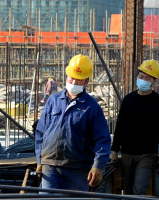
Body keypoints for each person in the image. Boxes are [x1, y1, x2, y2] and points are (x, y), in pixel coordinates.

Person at [34, 54, 111, 191]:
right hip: (50, 166)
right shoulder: (53, 101)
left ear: (86, 81)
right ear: (66, 76)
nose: (74, 82)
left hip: (78, 169)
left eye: (78, 80)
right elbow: (40, 132)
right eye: (72, 78)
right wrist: (40, 160)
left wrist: (98, 166)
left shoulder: (92, 107)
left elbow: (102, 140)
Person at [111, 59, 159, 196]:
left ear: (154, 81)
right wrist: (114, 150)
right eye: (141, 76)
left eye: (147, 78)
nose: (143, 80)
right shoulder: (128, 100)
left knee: (139, 188)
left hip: (147, 154)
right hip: (127, 152)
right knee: (127, 189)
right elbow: (120, 126)